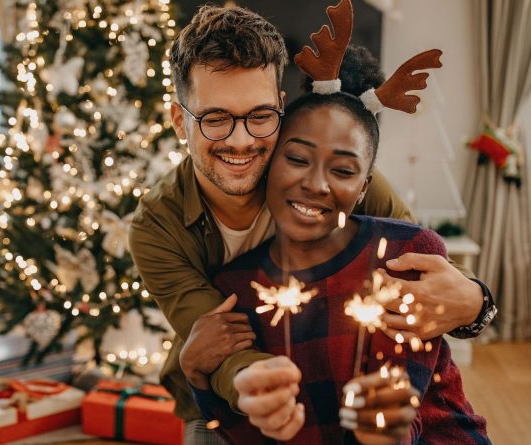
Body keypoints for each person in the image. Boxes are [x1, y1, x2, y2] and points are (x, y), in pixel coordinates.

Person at [127, 3, 496, 444]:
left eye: (259, 116)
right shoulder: (157, 226)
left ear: (281, 108)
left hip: (341, 366)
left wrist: (477, 301)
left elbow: (424, 272)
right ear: (178, 122)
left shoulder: (329, 176)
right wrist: (255, 382)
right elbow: (219, 345)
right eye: (215, 119)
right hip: (231, 392)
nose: (241, 140)